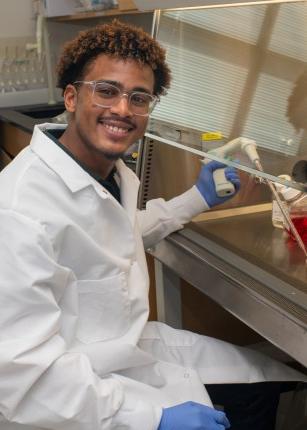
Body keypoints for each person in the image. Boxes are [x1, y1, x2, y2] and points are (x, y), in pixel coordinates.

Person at [0, 20, 304, 430]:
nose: (122, 110)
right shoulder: (18, 211)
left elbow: (110, 235)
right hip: (74, 396)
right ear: (71, 97)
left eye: (138, 98)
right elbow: (21, 382)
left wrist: (198, 199)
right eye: (106, 91)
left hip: (123, 352)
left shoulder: (104, 172)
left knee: (267, 380)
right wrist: (154, 418)